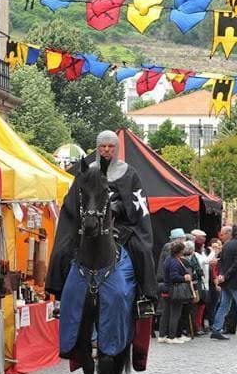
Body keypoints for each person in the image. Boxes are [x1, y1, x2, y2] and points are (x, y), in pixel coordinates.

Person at [47, 130, 157, 303]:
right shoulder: (87, 172)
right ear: (97, 149)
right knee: (62, 249)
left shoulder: (129, 174)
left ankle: (144, 297)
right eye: (103, 146)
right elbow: (74, 200)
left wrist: (117, 206)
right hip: (87, 223)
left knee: (142, 251)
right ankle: (60, 296)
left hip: (121, 227)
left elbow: (137, 204)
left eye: (110, 146)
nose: (106, 150)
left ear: (117, 148)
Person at [160, 242, 191, 344]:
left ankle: (162, 335)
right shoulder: (174, 261)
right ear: (180, 251)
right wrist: (184, 277)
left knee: (166, 314)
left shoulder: (168, 259)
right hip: (174, 290)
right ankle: (172, 336)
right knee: (175, 314)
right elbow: (174, 277)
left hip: (166, 289)